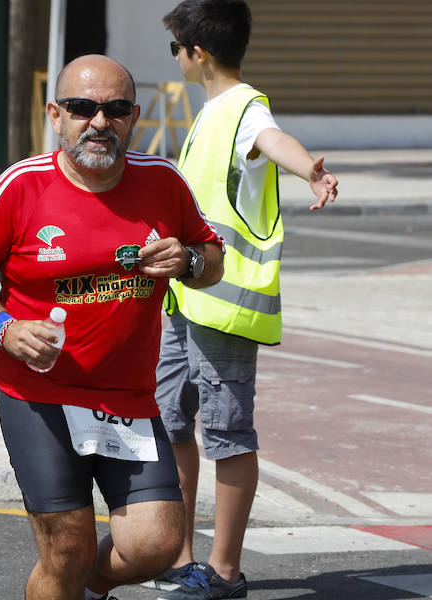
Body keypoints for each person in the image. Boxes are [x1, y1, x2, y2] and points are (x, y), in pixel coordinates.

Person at [0, 54, 225, 600]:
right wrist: (4, 327)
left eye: (115, 109)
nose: (99, 122)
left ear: (133, 117)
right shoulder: (22, 185)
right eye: (82, 108)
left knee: (156, 545)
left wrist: (188, 262)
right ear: (56, 115)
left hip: (129, 399)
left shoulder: (162, 180)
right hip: (39, 395)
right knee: (67, 548)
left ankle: (84, 590)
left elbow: (211, 259)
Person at [145, 2, 339, 599]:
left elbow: (272, 139)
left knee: (227, 433)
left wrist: (310, 170)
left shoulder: (245, 108)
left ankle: (225, 572)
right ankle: (178, 560)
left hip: (226, 306)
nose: (174, 56)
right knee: (171, 422)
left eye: (176, 47)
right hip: (186, 299)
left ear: (197, 51)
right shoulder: (210, 112)